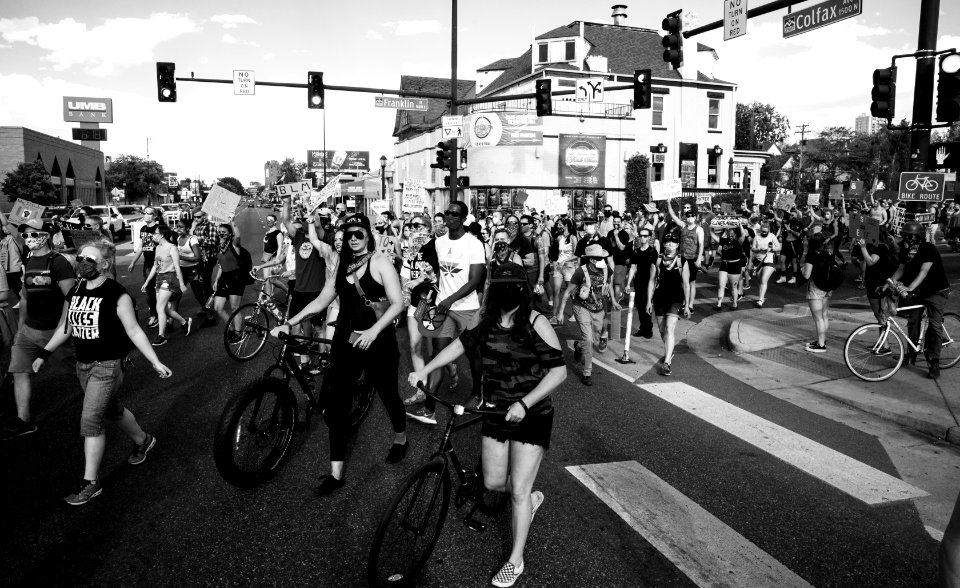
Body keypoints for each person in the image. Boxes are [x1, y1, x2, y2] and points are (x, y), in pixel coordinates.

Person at [407, 261, 566, 588]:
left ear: (524, 289)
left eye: (514, 287)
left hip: (531, 414)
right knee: (494, 483)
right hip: (495, 410)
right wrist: (425, 370)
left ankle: (515, 560)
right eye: (502, 286)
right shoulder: (488, 321)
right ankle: (529, 499)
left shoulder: (536, 323)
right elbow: (459, 345)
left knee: (518, 490)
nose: (508, 292)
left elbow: (558, 372)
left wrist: (524, 403)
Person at [272, 214, 408, 494]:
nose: (354, 239)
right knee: (337, 405)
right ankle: (336, 474)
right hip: (346, 341)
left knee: (388, 394)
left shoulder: (380, 262)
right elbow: (322, 300)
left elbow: (397, 304)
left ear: (368, 235)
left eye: (359, 233)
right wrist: (290, 322)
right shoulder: (342, 265)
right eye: (349, 235)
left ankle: (400, 438)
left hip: (378, 342)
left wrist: (373, 331)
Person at [32, 242, 172, 505]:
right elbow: (67, 326)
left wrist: (155, 361)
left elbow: (133, 331)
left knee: (91, 419)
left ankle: (90, 482)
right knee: (111, 410)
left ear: (105, 264)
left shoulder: (117, 294)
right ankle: (143, 440)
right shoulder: (75, 290)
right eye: (81, 257)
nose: (83, 262)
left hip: (107, 365)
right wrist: (44, 353)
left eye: (90, 259)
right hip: (82, 364)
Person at [407, 201, 486, 424]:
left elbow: (475, 280)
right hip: (443, 308)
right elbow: (430, 267)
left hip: (466, 309)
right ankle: (429, 409)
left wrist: (450, 299)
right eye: (447, 213)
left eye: (454, 214)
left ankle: (477, 395)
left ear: (462, 219)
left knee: (473, 354)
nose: (449, 217)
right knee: (438, 356)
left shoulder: (473, 244)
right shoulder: (439, 243)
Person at [0, 220, 76, 440]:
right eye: (25, 236)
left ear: (46, 235)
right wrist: (20, 327)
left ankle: (105, 395)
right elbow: (25, 296)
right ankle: (24, 421)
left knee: (75, 371)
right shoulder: (29, 259)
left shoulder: (59, 262)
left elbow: (70, 299)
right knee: (19, 372)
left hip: (54, 331)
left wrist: (64, 328)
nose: (29, 239)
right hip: (29, 331)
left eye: (34, 234)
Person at [889, 221, 951, 379]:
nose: (907, 239)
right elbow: (901, 269)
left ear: (918, 236)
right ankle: (911, 354)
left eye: (910, 236)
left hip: (936, 291)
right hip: (919, 291)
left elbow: (923, 272)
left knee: (935, 327)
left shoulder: (928, 248)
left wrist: (909, 288)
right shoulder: (905, 249)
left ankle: (935, 362)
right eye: (905, 235)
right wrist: (888, 283)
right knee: (913, 321)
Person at [557, 244, 617, 386]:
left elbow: (609, 285)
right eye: (598, 258)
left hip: (599, 309)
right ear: (591, 260)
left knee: (593, 339)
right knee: (589, 339)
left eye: (603, 257)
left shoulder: (607, 269)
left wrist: (613, 301)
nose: (602, 260)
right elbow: (567, 293)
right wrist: (560, 313)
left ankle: (579, 346)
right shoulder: (580, 272)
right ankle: (587, 372)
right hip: (581, 307)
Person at [141, 226, 192, 346]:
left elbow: (177, 266)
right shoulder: (158, 247)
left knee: (159, 307)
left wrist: (181, 284)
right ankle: (184, 322)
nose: (153, 236)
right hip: (159, 278)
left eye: (155, 233)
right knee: (164, 308)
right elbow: (155, 266)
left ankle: (161, 336)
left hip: (170, 278)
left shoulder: (172, 247)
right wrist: (147, 282)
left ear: (162, 235)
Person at [648, 231, 686, 376]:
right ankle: (669, 350)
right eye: (668, 241)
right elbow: (651, 281)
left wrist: (688, 304)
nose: (670, 244)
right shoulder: (658, 260)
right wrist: (648, 301)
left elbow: (687, 284)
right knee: (663, 330)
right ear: (663, 244)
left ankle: (667, 362)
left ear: (677, 245)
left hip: (675, 299)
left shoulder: (682, 261)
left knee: (670, 329)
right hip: (659, 299)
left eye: (674, 242)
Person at [666, 199, 703, 316]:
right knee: (684, 282)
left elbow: (701, 245)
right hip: (682, 257)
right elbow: (673, 215)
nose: (690, 218)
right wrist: (668, 203)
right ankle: (685, 303)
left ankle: (690, 304)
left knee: (692, 282)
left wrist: (699, 259)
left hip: (693, 257)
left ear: (695, 217)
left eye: (692, 216)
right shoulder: (683, 226)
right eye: (688, 216)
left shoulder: (699, 229)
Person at [127, 206, 163, 328]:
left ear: (155, 216)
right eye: (145, 213)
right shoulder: (143, 228)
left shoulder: (158, 229)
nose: (146, 215)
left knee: (158, 290)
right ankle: (154, 314)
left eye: (149, 213)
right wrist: (133, 261)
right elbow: (141, 247)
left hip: (158, 263)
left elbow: (165, 245)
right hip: (147, 264)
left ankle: (161, 315)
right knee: (149, 291)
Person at [212, 223, 247, 340]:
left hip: (236, 278)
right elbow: (221, 266)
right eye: (219, 231)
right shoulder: (219, 246)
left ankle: (238, 332)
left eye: (224, 232)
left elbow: (238, 236)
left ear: (229, 234)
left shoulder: (234, 245)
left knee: (234, 307)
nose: (221, 233)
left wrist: (233, 223)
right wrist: (216, 280)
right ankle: (231, 329)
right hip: (224, 278)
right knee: (218, 307)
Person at [801, 235, 835, 353]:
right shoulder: (828, 254)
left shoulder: (811, 255)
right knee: (824, 316)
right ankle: (822, 340)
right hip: (827, 288)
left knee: (818, 318)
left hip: (815, 289)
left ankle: (821, 345)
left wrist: (802, 269)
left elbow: (806, 275)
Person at [626, 227, 658, 337]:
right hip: (638, 281)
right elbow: (633, 268)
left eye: (645, 236)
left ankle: (648, 329)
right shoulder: (636, 252)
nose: (643, 238)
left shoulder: (653, 251)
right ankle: (643, 327)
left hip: (649, 281)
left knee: (647, 305)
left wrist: (652, 283)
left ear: (649, 237)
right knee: (639, 306)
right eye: (641, 236)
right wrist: (628, 283)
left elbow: (653, 269)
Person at [549, 219, 578, 323]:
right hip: (558, 267)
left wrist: (566, 260)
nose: (558, 226)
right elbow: (554, 248)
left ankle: (576, 313)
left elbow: (576, 254)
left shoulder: (573, 238)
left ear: (566, 225)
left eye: (560, 225)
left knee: (570, 292)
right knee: (556, 291)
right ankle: (554, 316)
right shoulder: (560, 237)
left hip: (569, 267)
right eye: (558, 225)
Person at [713, 226, 747, 310]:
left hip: (735, 265)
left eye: (732, 233)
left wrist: (740, 225)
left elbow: (743, 234)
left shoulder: (738, 241)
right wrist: (711, 227)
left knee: (733, 287)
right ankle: (719, 304)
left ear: (735, 234)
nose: (730, 235)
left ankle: (735, 304)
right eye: (729, 233)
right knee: (721, 285)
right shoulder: (723, 240)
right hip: (724, 265)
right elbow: (713, 235)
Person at [748, 222, 781, 308]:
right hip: (758, 261)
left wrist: (771, 249)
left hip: (769, 260)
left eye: (765, 232)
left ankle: (760, 300)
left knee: (763, 280)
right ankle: (761, 297)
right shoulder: (757, 236)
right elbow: (752, 248)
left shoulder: (772, 236)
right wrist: (758, 249)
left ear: (768, 231)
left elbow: (779, 247)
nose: (764, 233)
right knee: (759, 280)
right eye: (762, 231)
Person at [0, 209, 25, 307]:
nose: (4, 228)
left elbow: (6, 224)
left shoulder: (18, 238)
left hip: (15, 269)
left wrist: (3, 217)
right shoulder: (2, 239)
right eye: (2, 227)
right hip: (3, 270)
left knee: (20, 291)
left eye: (7, 227)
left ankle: (25, 307)